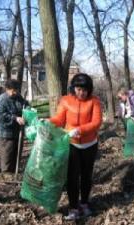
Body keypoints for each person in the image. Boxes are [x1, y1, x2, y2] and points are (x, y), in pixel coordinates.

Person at [49, 73, 102, 220]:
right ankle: (73, 207)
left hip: (89, 144)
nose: (81, 92)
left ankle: (84, 203)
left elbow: (96, 122)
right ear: (73, 88)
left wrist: (81, 130)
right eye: (78, 89)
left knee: (86, 175)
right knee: (72, 177)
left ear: (89, 90)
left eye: (85, 90)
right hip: (71, 145)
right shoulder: (65, 100)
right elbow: (59, 119)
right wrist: (48, 122)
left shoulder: (94, 101)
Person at [0, 79, 28, 173]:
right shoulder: (2, 100)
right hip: (6, 132)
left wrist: (28, 109)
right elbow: (1, 116)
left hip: (18, 130)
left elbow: (24, 105)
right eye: (13, 90)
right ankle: (6, 172)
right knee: (7, 153)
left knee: (17, 152)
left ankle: (14, 171)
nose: (15, 92)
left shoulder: (18, 97)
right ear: (7, 89)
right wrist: (15, 118)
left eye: (16, 90)